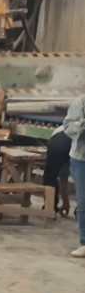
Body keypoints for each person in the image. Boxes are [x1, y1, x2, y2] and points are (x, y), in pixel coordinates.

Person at [65, 94, 85, 258]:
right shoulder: (81, 103)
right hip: (82, 158)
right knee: (84, 202)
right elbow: (68, 127)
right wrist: (82, 124)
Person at [43, 125, 72, 217]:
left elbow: (63, 175)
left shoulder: (62, 129)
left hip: (61, 140)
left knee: (50, 175)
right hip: (73, 138)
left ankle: (50, 207)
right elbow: (64, 176)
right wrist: (66, 202)